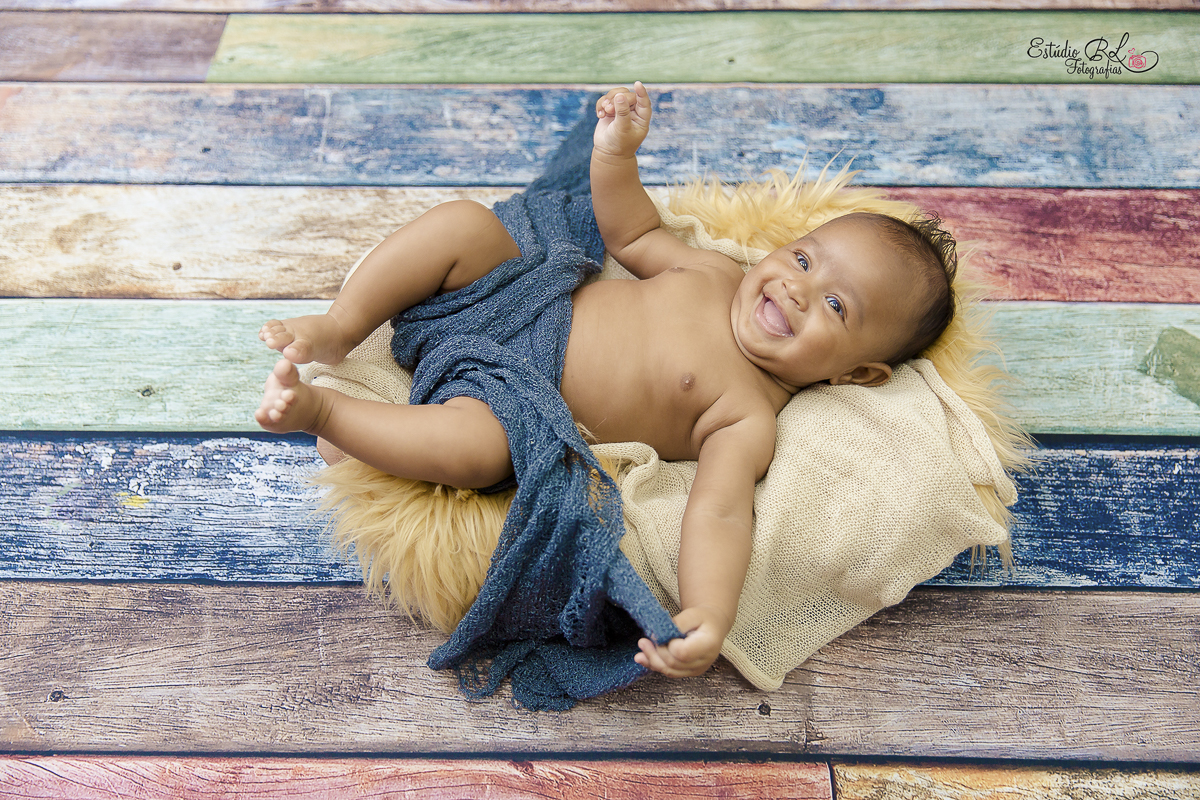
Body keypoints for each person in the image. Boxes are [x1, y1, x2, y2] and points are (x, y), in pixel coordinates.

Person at [256, 82, 958, 681]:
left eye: (838, 305)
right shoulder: (716, 272)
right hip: (518, 294)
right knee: (466, 224)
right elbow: (631, 234)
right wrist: (616, 155)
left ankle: (326, 412)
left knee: (481, 450)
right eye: (805, 259)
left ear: (857, 373)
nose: (800, 290)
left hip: (518, 395)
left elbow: (717, 513)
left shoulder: (747, 415)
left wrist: (708, 613)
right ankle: (342, 326)